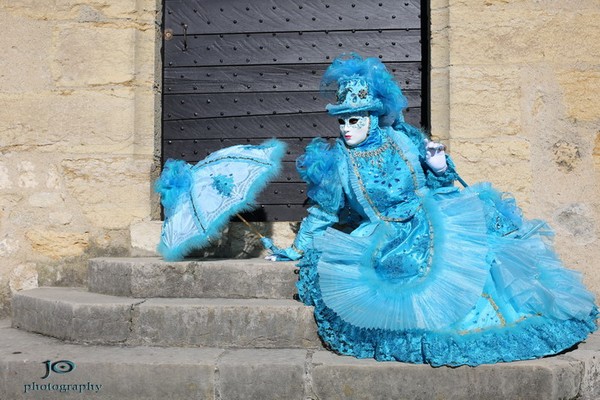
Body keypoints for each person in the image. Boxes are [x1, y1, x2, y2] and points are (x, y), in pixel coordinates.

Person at [263, 54, 598, 366]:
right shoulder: (338, 162)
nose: (346, 128)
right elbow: (324, 212)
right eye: (342, 121)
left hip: (431, 217)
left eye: (354, 119)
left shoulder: (403, 140)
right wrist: (296, 247)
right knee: (399, 277)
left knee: (477, 258)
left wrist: (439, 167)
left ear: (372, 117)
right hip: (384, 236)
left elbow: (439, 185)